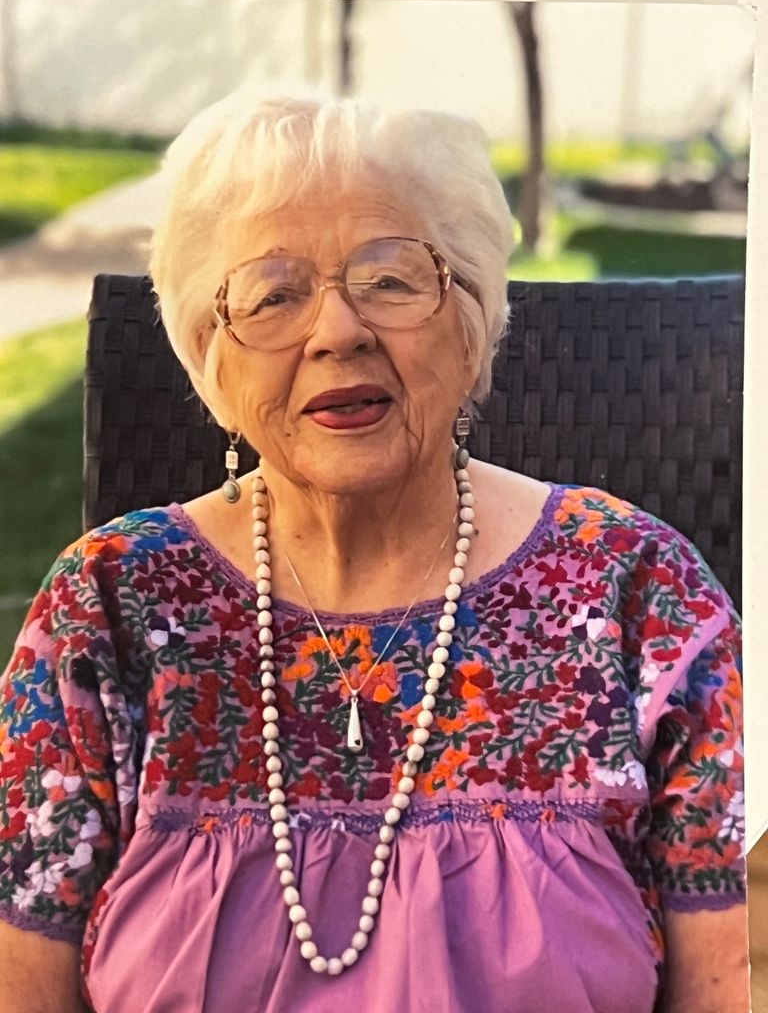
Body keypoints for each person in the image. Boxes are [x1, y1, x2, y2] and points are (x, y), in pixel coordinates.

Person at [0, 91, 749, 1013]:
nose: (338, 332)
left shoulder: (637, 589)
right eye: (273, 295)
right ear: (210, 356)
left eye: (391, 280)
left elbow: (730, 983)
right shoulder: (109, 605)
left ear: (472, 317)